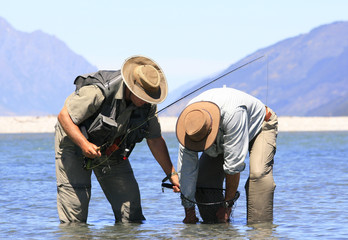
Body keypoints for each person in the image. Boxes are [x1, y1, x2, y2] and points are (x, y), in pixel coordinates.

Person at [55, 55, 180, 223]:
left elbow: (155, 140)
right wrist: (84, 144)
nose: (147, 101)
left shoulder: (148, 104)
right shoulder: (99, 91)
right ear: (131, 87)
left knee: (131, 213)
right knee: (75, 215)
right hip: (74, 141)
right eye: (143, 95)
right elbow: (64, 117)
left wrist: (171, 174)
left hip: (112, 148)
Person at [176, 87, 278, 224]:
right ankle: (217, 228)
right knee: (203, 181)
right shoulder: (190, 124)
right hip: (223, 133)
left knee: (258, 175)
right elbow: (186, 171)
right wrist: (189, 211)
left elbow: (233, 167)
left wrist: (227, 206)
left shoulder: (233, 114)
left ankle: (260, 230)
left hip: (259, 124)